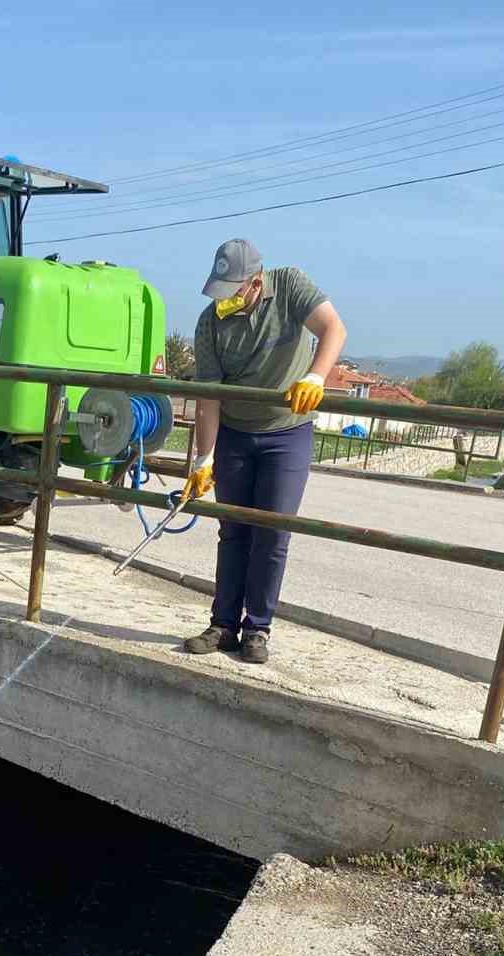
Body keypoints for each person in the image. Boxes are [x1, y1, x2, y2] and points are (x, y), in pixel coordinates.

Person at [183, 239, 347, 665]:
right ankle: (222, 625)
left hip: (286, 434)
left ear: (256, 282)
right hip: (236, 432)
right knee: (233, 529)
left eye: (234, 290)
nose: (225, 300)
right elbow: (208, 397)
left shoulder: (291, 285)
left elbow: (334, 329)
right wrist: (204, 458)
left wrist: (315, 376)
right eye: (220, 291)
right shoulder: (210, 324)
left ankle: (257, 628)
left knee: (272, 533)